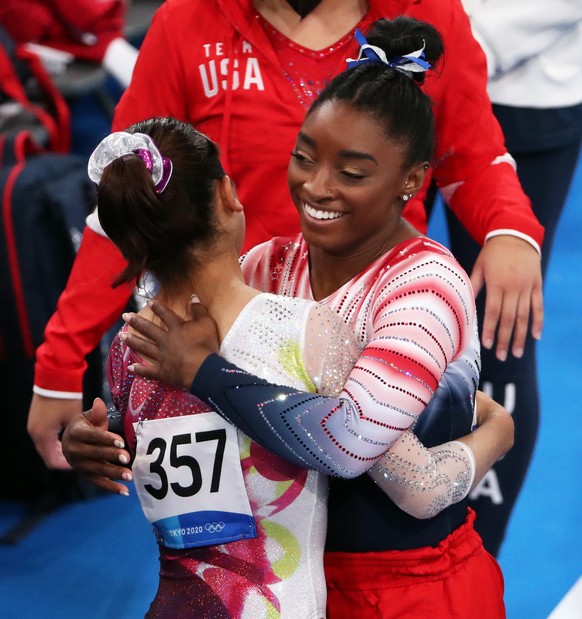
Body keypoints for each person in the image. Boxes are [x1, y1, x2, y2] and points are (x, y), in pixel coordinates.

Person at [65, 18, 513, 618]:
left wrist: (202, 372)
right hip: (286, 583)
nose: (316, 187)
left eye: (352, 173)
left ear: (412, 180)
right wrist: (103, 434)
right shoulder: (265, 267)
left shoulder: (425, 287)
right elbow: (170, 407)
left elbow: (366, 453)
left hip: (409, 592)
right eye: (304, 157)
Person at [29, 0, 543, 475]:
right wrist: (59, 366)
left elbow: (470, 156)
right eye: (304, 160)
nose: (317, 186)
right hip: (220, 350)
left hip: (368, 338)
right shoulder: (185, 22)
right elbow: (126, 200)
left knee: (374, 540)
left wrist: (510, 230)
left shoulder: (426, 15)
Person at [427, 0, 581, 556]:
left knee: (500, 332)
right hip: (399, 72)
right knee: (369, 297)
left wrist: (451, 43)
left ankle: (476, 555)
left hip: (524, 90)